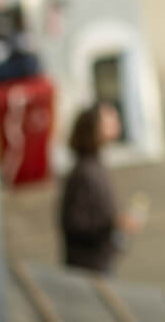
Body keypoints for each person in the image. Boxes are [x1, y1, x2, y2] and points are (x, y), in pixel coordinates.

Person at [59, 101, 142, 273]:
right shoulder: (84, 171)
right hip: (88, 267)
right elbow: (74, 223)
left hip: (99, 261)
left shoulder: (94, 165)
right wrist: (114, 223)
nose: (117, 123)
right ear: (93, 129)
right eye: (109, 121)